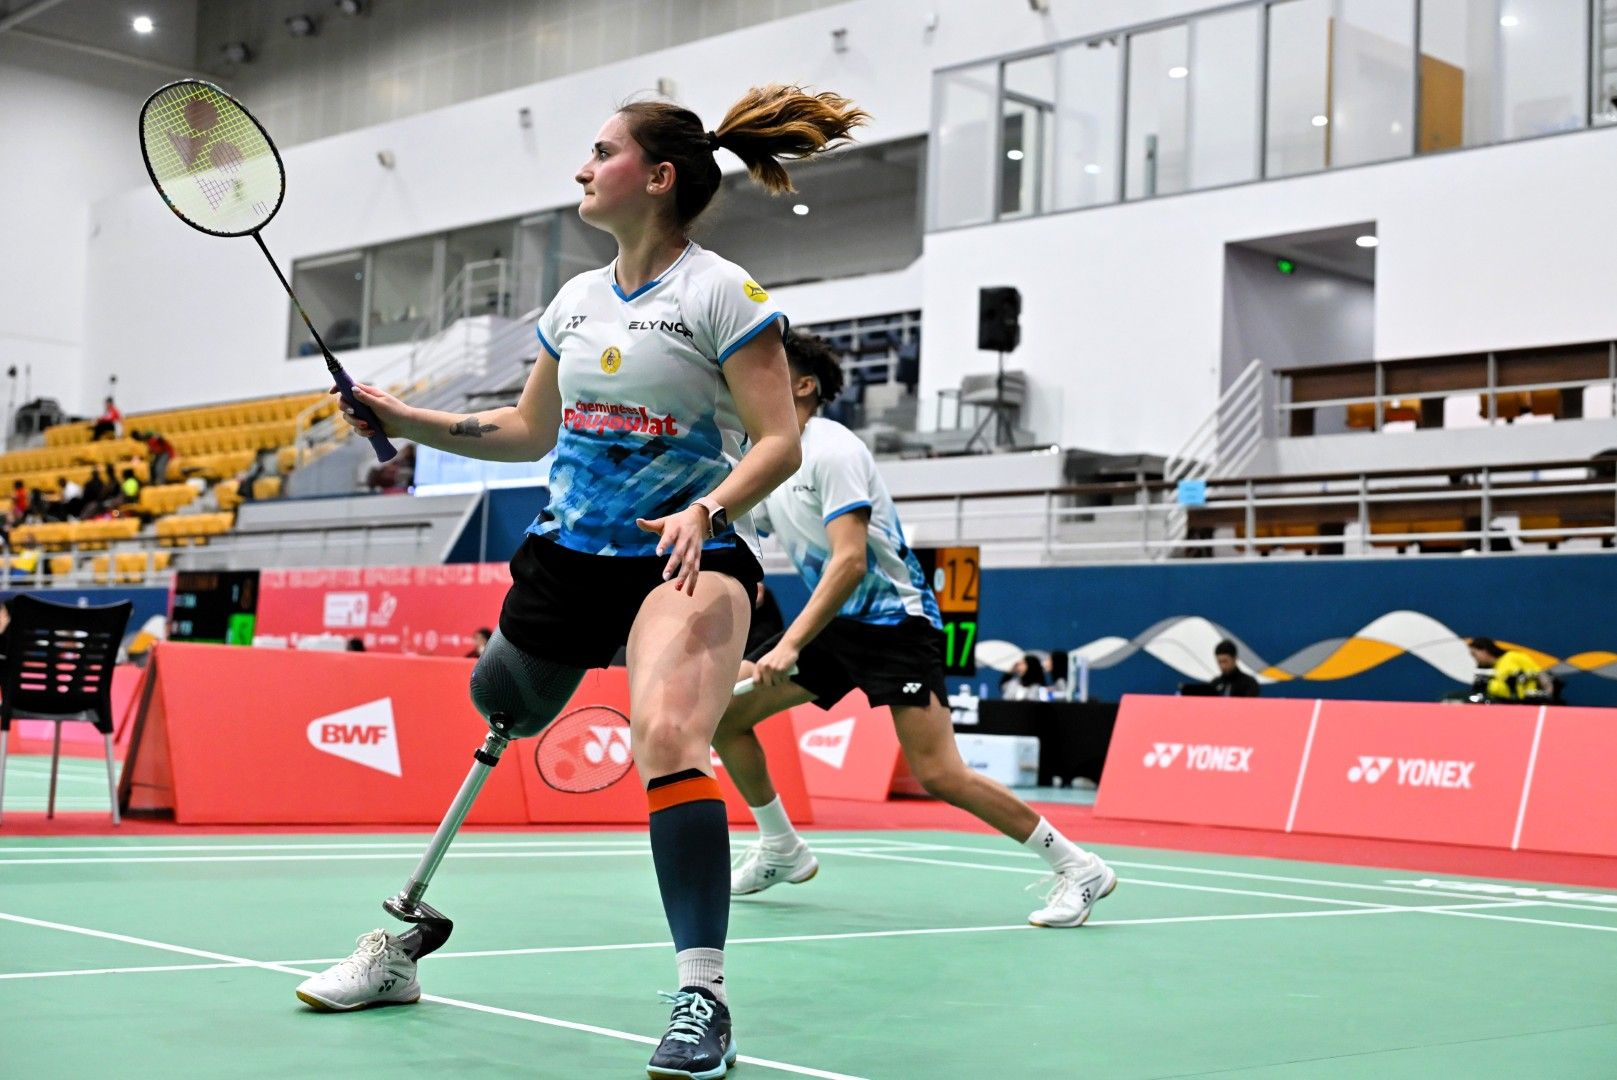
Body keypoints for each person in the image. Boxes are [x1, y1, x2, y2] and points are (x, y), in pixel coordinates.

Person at [295, 85, 865, 1077]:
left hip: (682, 555)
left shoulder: (722, 293)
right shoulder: (574, 301)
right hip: (567, 558)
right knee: (501, 710)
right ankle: (403, 946)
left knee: (669, 737)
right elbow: (530, 430)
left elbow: (778, 439)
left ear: (658, 176)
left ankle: (702, 997)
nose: (582, 168)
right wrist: (404, 417)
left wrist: (708, 508)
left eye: (602, 152)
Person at [712, 330, 1115, 932]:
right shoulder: (772, 457)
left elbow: (850, 561)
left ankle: (1079, 867)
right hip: (837, 624)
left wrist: (790, 643)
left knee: (939, 773)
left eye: (772, 366)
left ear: (804, 386)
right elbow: (743, 527)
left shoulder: (833, 451)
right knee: (726, 716)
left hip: (895, 625)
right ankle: (781, 847)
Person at [1466, 636, 1551, 702]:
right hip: (1509, 706)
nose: (1474, 659)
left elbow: (1541, 674)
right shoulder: (1492, 670)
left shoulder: (1513, 656)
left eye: (1474, 654)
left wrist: (1548, 696)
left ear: (1484, 650)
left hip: (1528, 704)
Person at [1193, 639, 1260, 697]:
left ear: (1234, 659)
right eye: (1219, 662)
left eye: (1225, 661)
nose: (1223, 666)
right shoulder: (1214, 684)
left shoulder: (1249, 684)